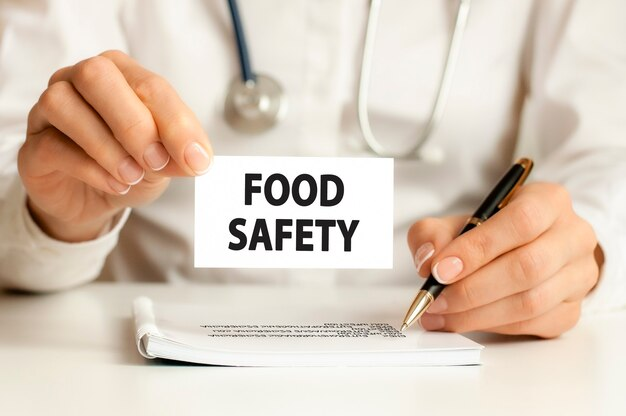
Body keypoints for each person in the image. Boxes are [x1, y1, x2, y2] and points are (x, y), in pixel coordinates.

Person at [0, 0, 624, 338]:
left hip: (450, 347)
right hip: (128, 359)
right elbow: (17, 146)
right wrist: (53, 220)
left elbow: (607, 152)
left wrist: (572, 255)